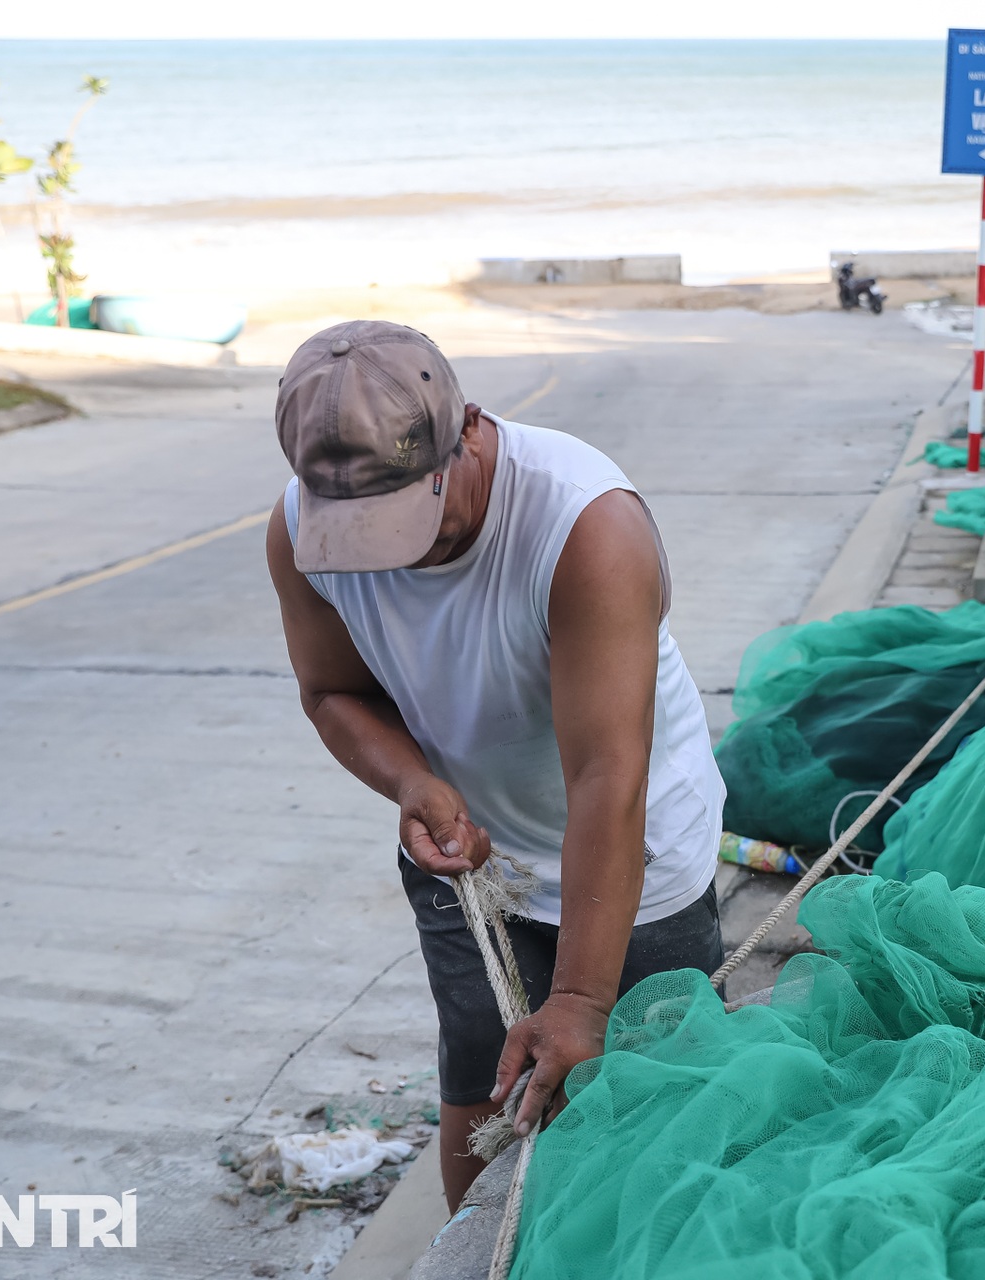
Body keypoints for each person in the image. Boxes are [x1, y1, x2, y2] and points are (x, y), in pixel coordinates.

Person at [264, 320, 725, 1209]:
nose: (398, 557)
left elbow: (607, 775)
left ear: (467, 429)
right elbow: (330, 692)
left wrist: (584, 1001)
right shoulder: (299, 534)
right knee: (481, 1089)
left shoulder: (584, 525)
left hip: (634, 849)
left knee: (653, 1106)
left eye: (412, 519)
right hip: (467, 860)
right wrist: (413, 780)